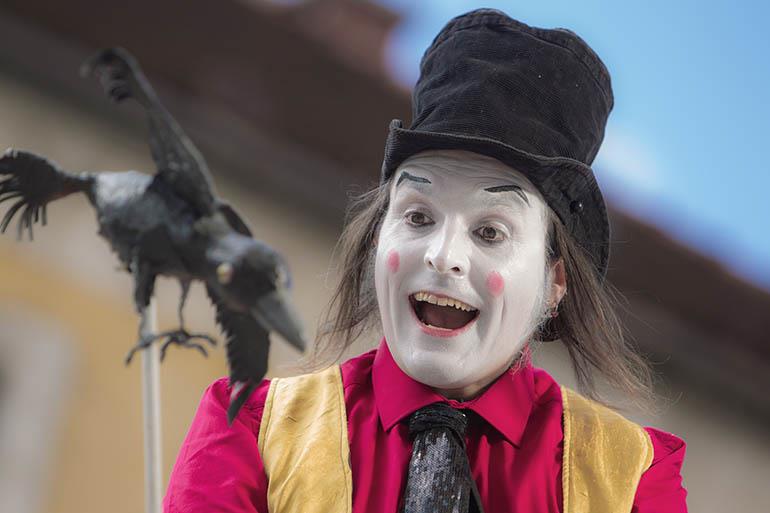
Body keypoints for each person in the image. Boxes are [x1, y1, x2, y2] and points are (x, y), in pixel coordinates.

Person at [164, 8, 687, 513]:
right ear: (378, 239)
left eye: (490, 231)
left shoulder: (631, 480)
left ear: (555, 282)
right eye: (418, 217)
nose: (443, 255)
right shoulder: (251, 430)